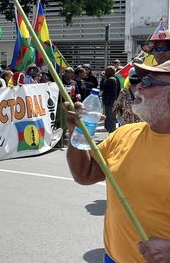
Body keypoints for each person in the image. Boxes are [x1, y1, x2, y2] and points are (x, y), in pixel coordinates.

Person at [66, 59, 170, 263]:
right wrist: (76, 133)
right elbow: (85, 174)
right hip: (113, 257)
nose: (137, 86)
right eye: (140, 80)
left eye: (149, 81)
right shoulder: (124, 134)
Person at [100, 66, 119, 133]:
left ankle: (112, 132)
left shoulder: (111, 79)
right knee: (109, 117)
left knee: (110, 118)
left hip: (109, 101)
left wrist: (102, 79)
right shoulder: (114, 79)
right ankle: (111, 131)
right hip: (110, 101)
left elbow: (102, 87)